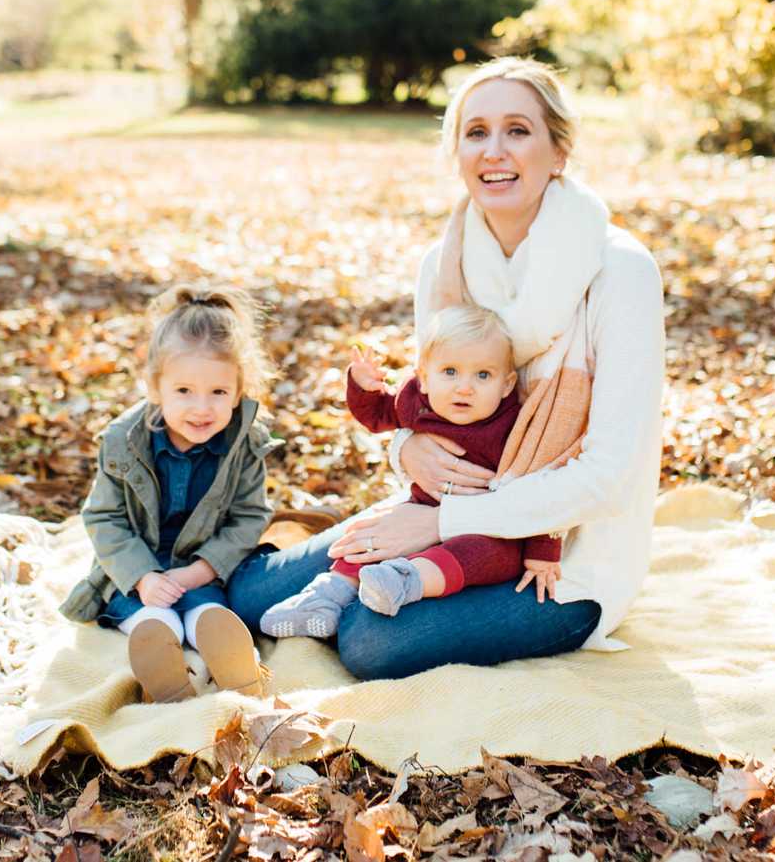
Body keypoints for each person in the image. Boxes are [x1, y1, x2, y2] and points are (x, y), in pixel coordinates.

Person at [227, 56, 664, 680]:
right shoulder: (446, 263)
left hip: (560, 560)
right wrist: (404, 449)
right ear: (456, 152)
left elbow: (610, 477)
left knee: (370, 642)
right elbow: (424, 403)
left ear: (558, 152)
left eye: (518, 130)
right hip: (442, 513)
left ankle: (371, 562)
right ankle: (303, 531)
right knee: (249, 598)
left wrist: (439, 521)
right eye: (476, 132)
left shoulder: (621, 270)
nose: (495, 150)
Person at [258, 305, 563, 638]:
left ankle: (404, 580)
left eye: (483, 375)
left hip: (488, 528)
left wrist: (542, 553)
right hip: (420, 510)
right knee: (374, 536)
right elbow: (377, 416)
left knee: (484, 554)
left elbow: (537, 484)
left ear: (507, 386)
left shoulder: (513, 427)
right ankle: (327, 595)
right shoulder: (417, 402)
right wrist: (364, 388)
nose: (464, 387)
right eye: (450, 371)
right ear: (425, 377)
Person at [58, 284, 277, 702]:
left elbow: (249, 516)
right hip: (133, 567)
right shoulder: (123, 440)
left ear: (238, 390)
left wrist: (199, 572)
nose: (202, 408)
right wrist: (142, 576)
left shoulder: (245, 443)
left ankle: (226, 648)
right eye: (184, 391)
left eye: (218, 392)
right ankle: (161, 663)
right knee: (152, 616)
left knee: (206, 609)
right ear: (156, 387)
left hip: (200, 564)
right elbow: (104, 517)